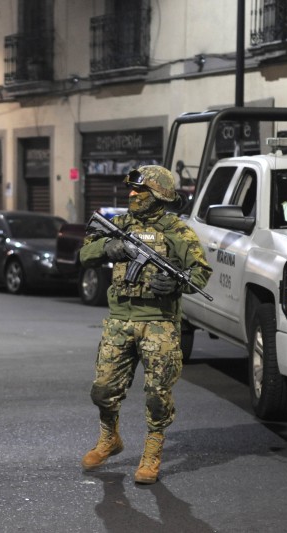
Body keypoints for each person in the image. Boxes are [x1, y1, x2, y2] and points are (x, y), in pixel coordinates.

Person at [79, 165, 211, 484]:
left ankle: (152, 451)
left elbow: (200, 271)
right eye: (132, 189)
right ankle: (110, 438)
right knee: (103, 389)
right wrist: (109, 248)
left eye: (140, 190)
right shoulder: (120, 225)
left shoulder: (176, 231)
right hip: (120, 319)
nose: (132, 194)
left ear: (158, 195)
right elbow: (85, 254)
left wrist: (177, 284)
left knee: (157, 392)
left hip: (159, 323)